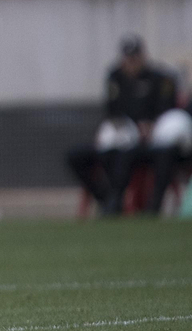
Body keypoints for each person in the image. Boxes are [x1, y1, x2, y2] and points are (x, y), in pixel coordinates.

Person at [66, 36, 187, 216]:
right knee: (92, 153)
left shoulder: (160, 80)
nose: (131, 64)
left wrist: (150, 125)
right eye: (128, 59)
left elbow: (167, 109)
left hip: (152, 143)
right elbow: (112, 111)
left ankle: (152, 207)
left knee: (159, 154)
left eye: (135, 58)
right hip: (123, 140)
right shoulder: (116, 78)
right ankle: (109, 199)